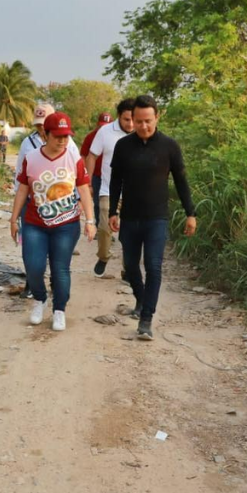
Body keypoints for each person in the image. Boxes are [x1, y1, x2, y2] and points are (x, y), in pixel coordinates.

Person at [108, 95, 197, 340]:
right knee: (131, 267)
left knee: (154, 266)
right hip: (129, 218)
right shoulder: (123, 146)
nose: (143, 126)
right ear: (132, 121)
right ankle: (141, 298)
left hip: (157, 218)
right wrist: (112, 211)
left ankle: (146, 319)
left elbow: (181, 181)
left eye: (148, 120)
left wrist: (191, 213)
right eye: (138, 121)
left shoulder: (169, 146)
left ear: (157, 117)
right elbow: (116, 182)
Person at [9, 112, 96, 331]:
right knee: (34, 267)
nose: (62, 141)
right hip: (34, 223)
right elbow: (22, 190)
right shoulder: (32, 158)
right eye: (57, 136)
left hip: (66, 224)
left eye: (66, 136)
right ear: (45, 134)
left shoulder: (74, 158)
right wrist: (13, 219)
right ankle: (40, 299)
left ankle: (59, 310)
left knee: (60, 269)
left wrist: (90, 220)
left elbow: (84, 190)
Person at [15, 103, 81, 299]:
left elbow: (76, 175)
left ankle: (55, 284)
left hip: (60, 204)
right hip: (32, 202)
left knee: (58, 253)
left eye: (45, 124)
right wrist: (18, 206)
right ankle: (33, 284)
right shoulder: (27, 143)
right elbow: (20, 173)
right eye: (39, 125)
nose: (42, 129)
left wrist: (75, 200)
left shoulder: (68, 143)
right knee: (33, 251)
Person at [85, 99, 136, 278]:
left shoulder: (141, 131)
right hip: (108, 190)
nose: (130, 124)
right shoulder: (105, 132)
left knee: (129, 233)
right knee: (105, 227)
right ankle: (103, 256)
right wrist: (88, 182)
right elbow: (91, 156)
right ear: (118, 117)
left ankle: (128, 269)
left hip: (134, 193)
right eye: (126, 119)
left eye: (133, 119)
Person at [80, 111, 113, 234]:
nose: (102, 128)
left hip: (111, 175)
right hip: (96, 175)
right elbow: (83, 155)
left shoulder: (116, 136)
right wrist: (86, 176)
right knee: (98, 203)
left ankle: (108, 227)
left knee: (111, 203)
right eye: (101, 125)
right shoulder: (91, 137)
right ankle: (101, 228)